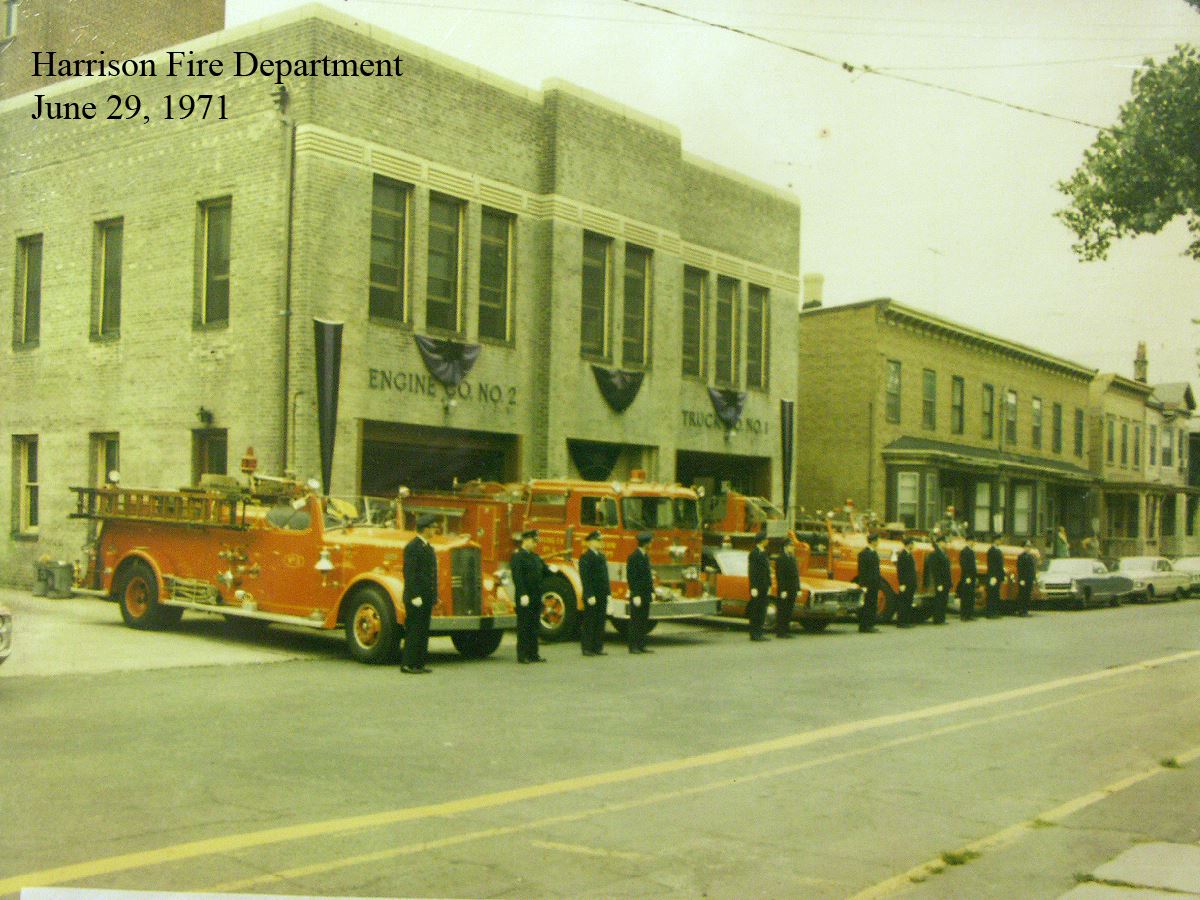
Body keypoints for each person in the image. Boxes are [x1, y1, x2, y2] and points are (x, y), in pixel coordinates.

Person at [400, 513, 438, 674]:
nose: (435, 530)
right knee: (414, 631)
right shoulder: (413, 547)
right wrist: (414, 595)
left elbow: (432, 574)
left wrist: (433, 595)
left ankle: (419, 663)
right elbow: (410, 573)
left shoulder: (428, 548)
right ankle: (408, 664)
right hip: (415, 597)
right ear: (425, 529)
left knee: (423, 630)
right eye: (433, 528)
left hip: (426, 596)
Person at [511, 529, 548, 663]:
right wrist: (522, 594)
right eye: (533, 541)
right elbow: (517, 577)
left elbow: (544, 571)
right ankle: (522, 655)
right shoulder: (518, 557)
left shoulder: (535, 557)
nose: (535, 544)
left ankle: (533, 654)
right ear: (525, 540)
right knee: (524, 627)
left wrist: (552, 569)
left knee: (534, 627)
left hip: (536, 597)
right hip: (525, 597)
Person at [578, 529, 610, 657]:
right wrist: (589, 594)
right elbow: (585, 578)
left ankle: (598, 646)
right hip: (592, 594)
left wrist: (609, 593)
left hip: (601, 593)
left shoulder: (601, 556)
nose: (601, 543)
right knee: (589, 622)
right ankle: (587, 647)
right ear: (590, 542)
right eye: (598, 540)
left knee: (600, 621)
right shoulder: (586, 557)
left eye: (601, 540)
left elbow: (605, 576)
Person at [625, 531, 655, 653]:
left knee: (643, 620)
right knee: (635, 621)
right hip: (638, 594)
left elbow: (648, 577)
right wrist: (635, 594)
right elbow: (632, 577)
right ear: (645, 543)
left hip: (646, 594)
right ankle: (633, 646)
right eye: (650, 542)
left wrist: (652, 591)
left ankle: (642, 644)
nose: (651, 544)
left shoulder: (645, 556)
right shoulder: (634, 557)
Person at [747, 529, 772, 641]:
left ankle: (760, 631)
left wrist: (769, 585)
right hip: (757, 586)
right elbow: (752, 571)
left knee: (762, 609)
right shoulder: (754, 553)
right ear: (761, 540)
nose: (768, 541)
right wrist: (753, 587)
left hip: (764, 585)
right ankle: (754, 633)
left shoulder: (764, 553)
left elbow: (767, 571)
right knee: (755, 610)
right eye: (766, 539)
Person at [774, 539, 801, 638]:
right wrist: (782, 590)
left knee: (789, 610)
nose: (792, 548)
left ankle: (786, 630)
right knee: (782, 610)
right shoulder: (781, 559)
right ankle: (780, 632)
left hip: (792, 588)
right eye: (791, 546)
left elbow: (796, 574)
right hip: (785, 589)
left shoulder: (793, 558)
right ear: (785, 547)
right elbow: (780, 576)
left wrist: (798, 588)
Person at [924, 533, 952, 624]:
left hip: (945, 581)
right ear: (940, 542)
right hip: (940, 581)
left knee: (944, 600)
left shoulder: (943, 553)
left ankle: (942, 618)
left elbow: (947, 569)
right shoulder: (935, 553)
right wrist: (939, 583)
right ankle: (938, 619)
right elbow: (935, 570)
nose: (946, 544)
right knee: (939, 601)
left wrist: (949, 581)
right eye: (944, 542)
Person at [856, 532, 881, 633]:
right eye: (877, 540)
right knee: (866, 605)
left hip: (874, 583)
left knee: (872, 604)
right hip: (867, 583)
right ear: (873, 541)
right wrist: (863, 584)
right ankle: (864, 625)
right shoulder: (864, 554)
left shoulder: (874, 552)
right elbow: (862, 570)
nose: (878, 542)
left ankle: (870, 624)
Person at [895, 534, 918, 628]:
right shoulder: (902, 555)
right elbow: (900, 570)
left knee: (908, 602)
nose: (914, 545)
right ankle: (901, 622)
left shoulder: (910, 554)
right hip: (905, 583)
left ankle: (906, 621)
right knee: (903, 603)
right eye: (912, 543)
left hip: (911, 583)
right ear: (909, 544)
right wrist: (902, 583)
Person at [985, 535, 1005, 619]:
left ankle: (994, 612)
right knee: (992, 595)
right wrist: (993, 576)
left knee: (995, 594)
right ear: (995, 540)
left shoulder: (997, 550)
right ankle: (990, 613)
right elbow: (992, 564)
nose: (1001, 541)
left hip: (997, 576)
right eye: (1000, 540)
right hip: (993, 576)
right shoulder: (992, 550)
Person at [958, 541, 978, 621]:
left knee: (971, 596)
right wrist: (967, 576)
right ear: (969, 541)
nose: (974, 543)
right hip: (967, 577)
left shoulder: (972, 551)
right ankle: (964, 615)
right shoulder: (964, 551)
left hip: (972, 577)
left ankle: (969, 614)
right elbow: (964, 564)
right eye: (973, 541)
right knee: (965, 596)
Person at [1016, 540, 1037, 617]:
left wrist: (1034, 578)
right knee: (1022, 595)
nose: (1028, 548)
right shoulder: (1021, 556)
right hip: (1024, 579)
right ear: (1024, 547)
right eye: (1027, 546)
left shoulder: (1031, 556)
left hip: (1029, 579)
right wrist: (1021, 579)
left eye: (1029, 546)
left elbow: (1033, 568)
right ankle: (1021, 611)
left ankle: (1026, 610)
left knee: (1027, 595)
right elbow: (1020, 568)